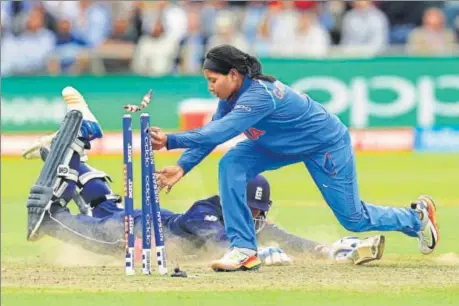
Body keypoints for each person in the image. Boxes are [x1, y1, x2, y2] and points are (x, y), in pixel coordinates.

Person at [149, 44, 439, 272]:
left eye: (213, 80)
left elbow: (218, 132)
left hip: (324, 144)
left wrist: (171, 141)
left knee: (353, 218)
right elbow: (213, 131)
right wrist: (182, 166)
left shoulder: (259, 95)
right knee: (231, 163)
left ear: (234, 76)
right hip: (275, 145)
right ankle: (244, 251)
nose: (209, 87)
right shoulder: (229, 99)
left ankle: (416, 217)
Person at [23, 87, 385, 268]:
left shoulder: (251, 225)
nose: (258, 218)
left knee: (102, 203)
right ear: (234, 204)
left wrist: (328, 249)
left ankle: (72, 150)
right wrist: (261, 252)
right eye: (252, 210)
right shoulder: (205, 214)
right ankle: (52, 216)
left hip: (138, 223)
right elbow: (218, 238)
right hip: (136, 231)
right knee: (80, 221)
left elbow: (285, 239)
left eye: (260, 211)